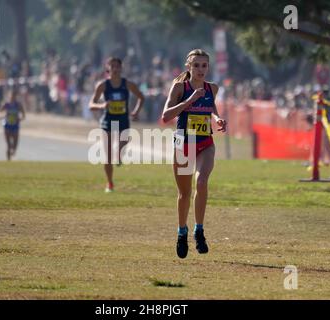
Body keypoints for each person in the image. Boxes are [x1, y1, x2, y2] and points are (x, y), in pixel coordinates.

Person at [161, 49, 227, 259]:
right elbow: (165, 116)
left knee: (202, 182)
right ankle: (182, 232)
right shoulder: (180, 87)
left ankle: (199, 230)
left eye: (204, 65)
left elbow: (211, 107)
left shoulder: (212, 88)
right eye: (196, 65)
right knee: (184, 194)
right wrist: (189, 100)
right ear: (188, 67)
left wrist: (217, 119)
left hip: (205, 143)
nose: (201, 69)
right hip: (184, 144)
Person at [89, 57, 145, 193]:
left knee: (124, 141)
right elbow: (91, 104)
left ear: (121, 68)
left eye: (117, 66)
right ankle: (110, 183)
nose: (115, 69)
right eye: (112, 66)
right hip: (107, 120)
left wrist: (136, 111)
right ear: (108, 68)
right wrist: (102, 105)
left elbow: (141, 97)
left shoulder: (128, 84)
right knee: (107, 156)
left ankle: (118, 155)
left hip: (123, 119)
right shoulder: (103, 85)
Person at [0, 87, 25, 161]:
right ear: (9, 96)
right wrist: (2, 116)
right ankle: (8, 160)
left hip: (15, 124)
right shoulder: (6, 104)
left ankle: (13, 150)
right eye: (11, 95)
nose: (12, 97)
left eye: (14, 95)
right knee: (8, 144)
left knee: (15, 142)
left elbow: (23, 115)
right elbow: (0, 112)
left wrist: (20, 119)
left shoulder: (18, 105)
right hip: (7, 124)